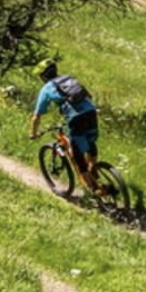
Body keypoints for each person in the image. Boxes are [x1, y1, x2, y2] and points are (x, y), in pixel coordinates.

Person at [28, 58, 106, 194]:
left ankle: (95, 189)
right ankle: (93, 167)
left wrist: (33, 133)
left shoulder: (46, 89)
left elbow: (36, 116)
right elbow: (88, 96)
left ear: (43, 76)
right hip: (91, 112)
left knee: (77, 156)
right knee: (90, 140)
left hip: (76, 117)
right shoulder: (69, 79)